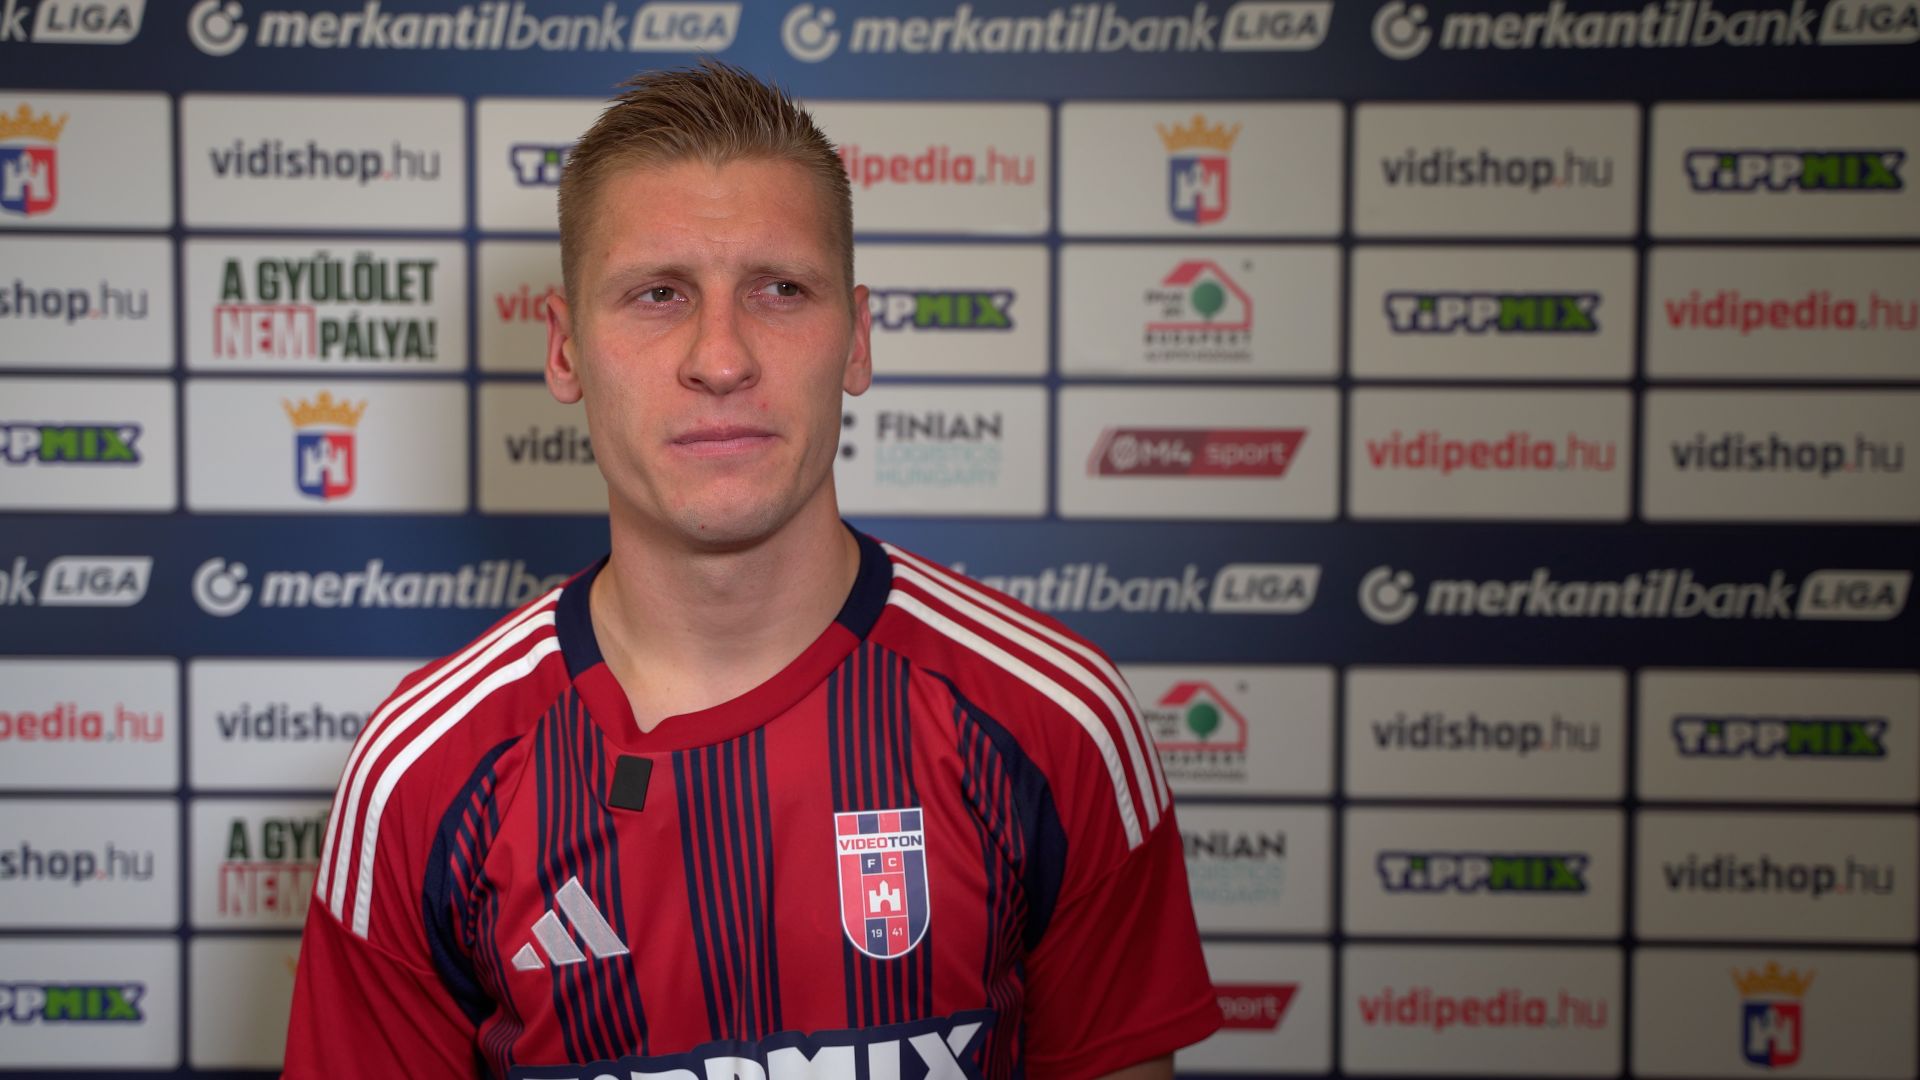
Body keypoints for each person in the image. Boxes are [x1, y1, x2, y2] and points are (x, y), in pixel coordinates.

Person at [285, 61, 1219, 1079]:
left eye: (781, 290)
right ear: (564, 351)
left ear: (856, 339)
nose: (722, 359)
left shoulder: (1054, 718)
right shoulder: (425, 774)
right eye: (657, 295)